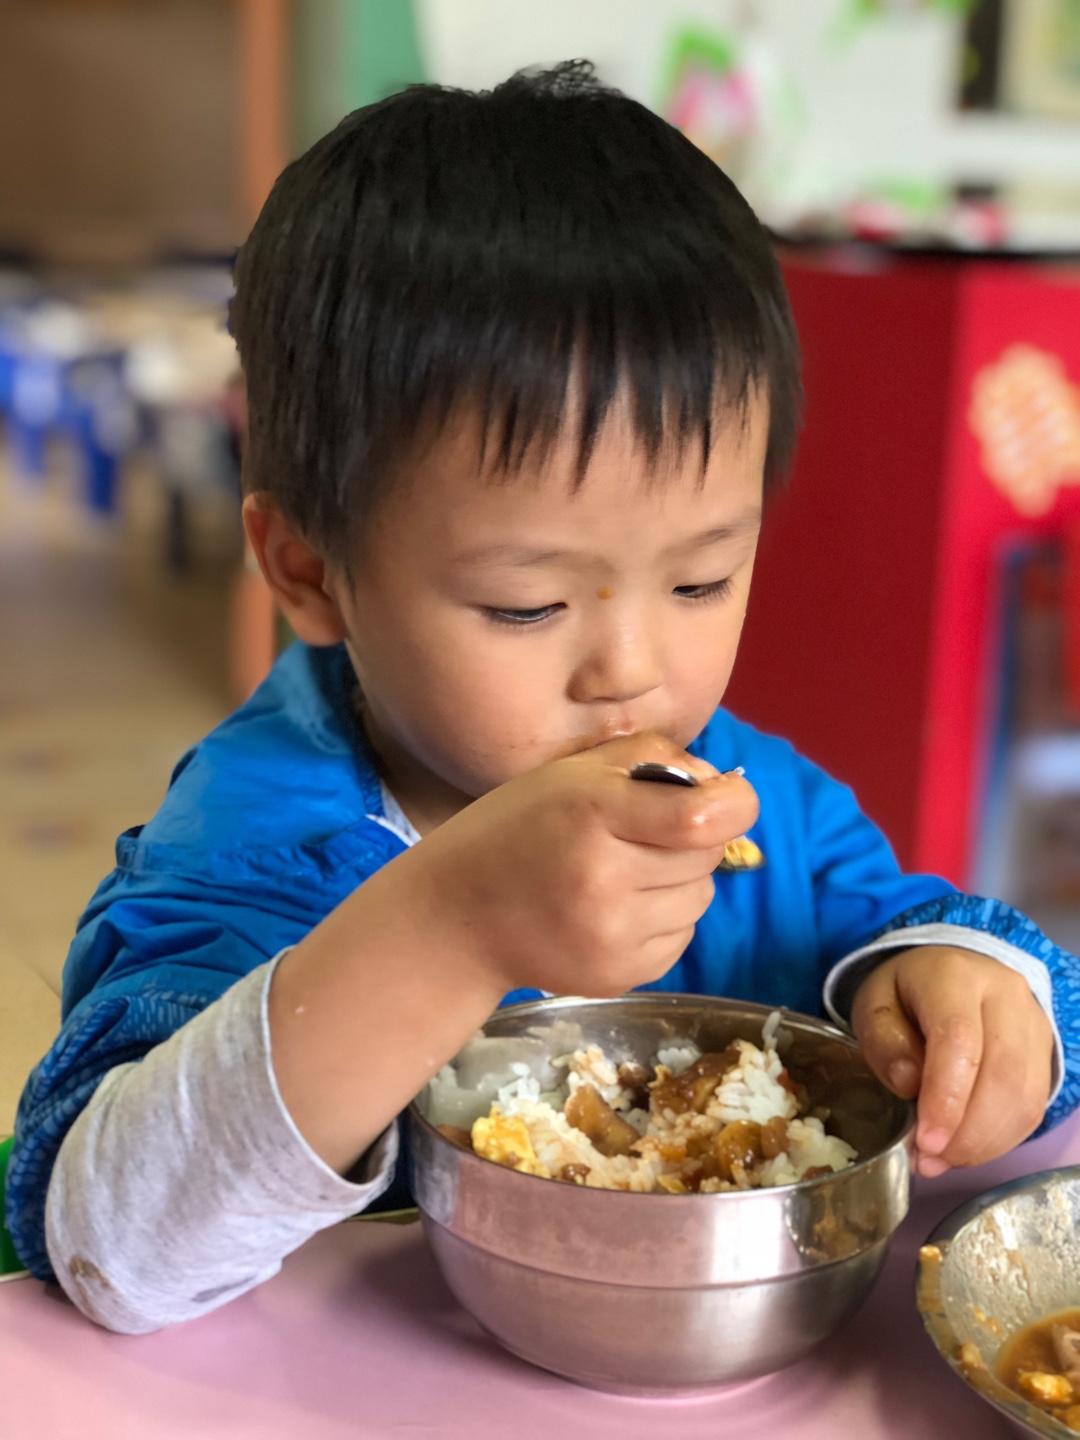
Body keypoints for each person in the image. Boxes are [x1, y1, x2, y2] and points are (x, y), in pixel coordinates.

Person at [7, 63, 1078, 1334]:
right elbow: (110, 1248)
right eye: (526, 604)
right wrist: (453, 926)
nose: (630, 670)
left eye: (701, 579)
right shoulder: (255, 851)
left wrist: (969, 993)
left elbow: (944, 944)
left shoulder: (760, 813)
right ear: (309, 572)